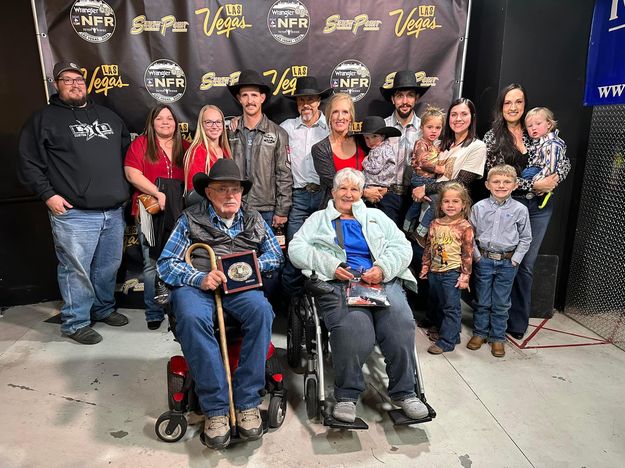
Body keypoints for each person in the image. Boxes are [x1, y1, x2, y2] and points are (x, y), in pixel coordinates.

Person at [156, 158, 283, 449]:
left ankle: (247, 401)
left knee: (262, 311)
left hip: (240, 285)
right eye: (222, 189)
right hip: (199, 284)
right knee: (189, 316)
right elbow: (166, 264)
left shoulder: (253, 217)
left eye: (235, 189)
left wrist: (247, 269)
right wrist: (198, 277)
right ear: (209, 193)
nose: (230, 195)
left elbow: (275, 256)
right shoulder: (189, 218)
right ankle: (215, 408)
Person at [289, 168, 429, 424]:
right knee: (355, 327)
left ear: (361, 193)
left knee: (400, 322)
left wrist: (383, 268)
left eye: (354, 189)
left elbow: (402, 246)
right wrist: (330, 265)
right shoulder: (318, 219)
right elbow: (296, 248)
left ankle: (406, 393)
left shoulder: (377, 217)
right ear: (333, 192)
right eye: (343, 188)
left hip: (379, 281)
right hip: (338, 283)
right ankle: (346, 395)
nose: (349, 194)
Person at [17, 61, 130, 345]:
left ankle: (103, 308)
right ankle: (75, 322)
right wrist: (48, 195)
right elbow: (28, 162)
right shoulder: (44, 119)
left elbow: (128, 158)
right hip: (74, 214)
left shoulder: (109, 117)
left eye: (78, 79)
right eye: (66, 79)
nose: (74, 83)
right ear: (56, 84)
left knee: (108, 266)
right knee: (75, 268)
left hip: (113, 211)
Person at [483, 84, 570, 339]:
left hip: (540, 207)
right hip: (511, 206)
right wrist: (534, 183)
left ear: (524, 105)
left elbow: (564, 161)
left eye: (518, 102)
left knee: (526, 264)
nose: (513, 107)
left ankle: (518, 323)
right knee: (507, 261)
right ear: (501, 106)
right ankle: (496, 319)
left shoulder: (536, 129)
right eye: (508, 102)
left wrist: (554, 179)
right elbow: (496, 177)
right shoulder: (493, 137)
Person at [124, 104, 188, 330]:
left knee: (180, 261)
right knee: (152, 263)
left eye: (169, 118)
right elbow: (132, 174)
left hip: (179, 212)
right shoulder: (140, 144)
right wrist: (157, 192)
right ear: (152, 122)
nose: (165, 122)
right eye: (159, 118)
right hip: (148, 210)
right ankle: (153, 312)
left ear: (175, 122)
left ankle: (179, 308)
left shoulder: (185, 146)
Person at [468, 165, 532, 357]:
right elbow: (469, 235)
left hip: (507, 262)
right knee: (482, 300)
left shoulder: (520, 209)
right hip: (484, 260)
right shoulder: (479, 207)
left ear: (515, 185)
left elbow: (526, 237)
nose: (501, 185)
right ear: (488, 184)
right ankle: (480, 333)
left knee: (502, 302)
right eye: (496, 181)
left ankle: (497, 337)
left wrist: (515, 260)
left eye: (506, 182)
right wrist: (477, 257)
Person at [279, 76, 331, 298]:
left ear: (319, 101)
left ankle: (320, 304)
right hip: (298, 196)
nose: (306, 104)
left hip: (324, 196)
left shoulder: (330, 126)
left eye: (311, 99)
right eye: (301, 100)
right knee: (294, 250)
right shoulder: (286, 128)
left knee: (325, 249)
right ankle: (293, 306)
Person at [412, 98, 487, 248]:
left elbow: (460, 183)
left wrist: (425, 189)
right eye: (454, 114)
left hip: (451, 219)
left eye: (464, 114)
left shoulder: (477, 147)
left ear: (472, 117)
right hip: (426, 213)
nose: (458, 119)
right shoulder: (439, 144)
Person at [227, 69, 292, 228]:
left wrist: (282, 210)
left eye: (254, 95)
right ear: (239, 99)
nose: (250, 101)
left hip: (267, 209)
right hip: (235, 206)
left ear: (262, 98)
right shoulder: (229, 132)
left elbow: (284, 174)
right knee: (238, 253)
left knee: (268, 252)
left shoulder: (278, 133)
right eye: (245, 95)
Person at [419, 182, 474, 355]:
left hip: (452, 272)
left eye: (455, 201)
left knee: (451, 306)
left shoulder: (465, 227)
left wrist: (465, 275)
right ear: (440, 204)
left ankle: (447, 341)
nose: (450, 205)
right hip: (435, 271)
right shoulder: (435, 223)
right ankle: (445, 330)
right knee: (437, 302)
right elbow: (429, 246)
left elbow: (468, 254)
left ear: (463, 204)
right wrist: (425, 265)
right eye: (447, 201)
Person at [380, 70, 430, 226]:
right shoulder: (382, 127)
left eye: (409, 95)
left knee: (411, 243)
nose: (405, 101)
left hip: (414, 196)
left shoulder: (425, 130)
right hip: (387, 196)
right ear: (393, 99)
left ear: (417, 98)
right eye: (400, 96)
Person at [312, 93, 372, 209]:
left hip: (365, 209)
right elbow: (335, 183)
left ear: (351, 117)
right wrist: (365, 192)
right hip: (334, 212)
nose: (340, 117)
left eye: (345, 112)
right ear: (329, 116)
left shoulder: (363, 142)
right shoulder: (320, 149)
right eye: (335, 112)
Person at [405, 106, 446, 237]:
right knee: (435, 204)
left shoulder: (434, 145)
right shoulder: (421, 143)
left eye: (438, 128)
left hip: (429, 179)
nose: (434, 131)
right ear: (422, 127)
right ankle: (420, 232)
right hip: (421, 179)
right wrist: (438, 168)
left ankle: (408, 226)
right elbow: (422, 162)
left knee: (417, 204)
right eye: (430, 127)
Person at [522, 107, 568, 207]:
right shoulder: (538, 141)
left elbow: (551, 166)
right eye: (529, 126)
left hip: (541, 171)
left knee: (526, 174)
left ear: (549, 124)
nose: (533, 128)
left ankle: (542, 194)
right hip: (537, 169)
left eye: (538, 124)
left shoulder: (551, 144)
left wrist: (538, 180)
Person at [183, 104, 231, 193]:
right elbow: (194, 191)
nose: (214, 126)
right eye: (209, 122)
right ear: (201, 125)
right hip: (208, 205)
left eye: (218, 122)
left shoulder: (226, 151)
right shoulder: (196, 152)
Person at [357, 115, 401, 190]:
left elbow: (375, 168)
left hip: (379, 186)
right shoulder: (380, 148)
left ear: (383, 136)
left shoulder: (381, 150)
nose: (370, 141)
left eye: (374, 136)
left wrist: (365, 162)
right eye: (367, 138)